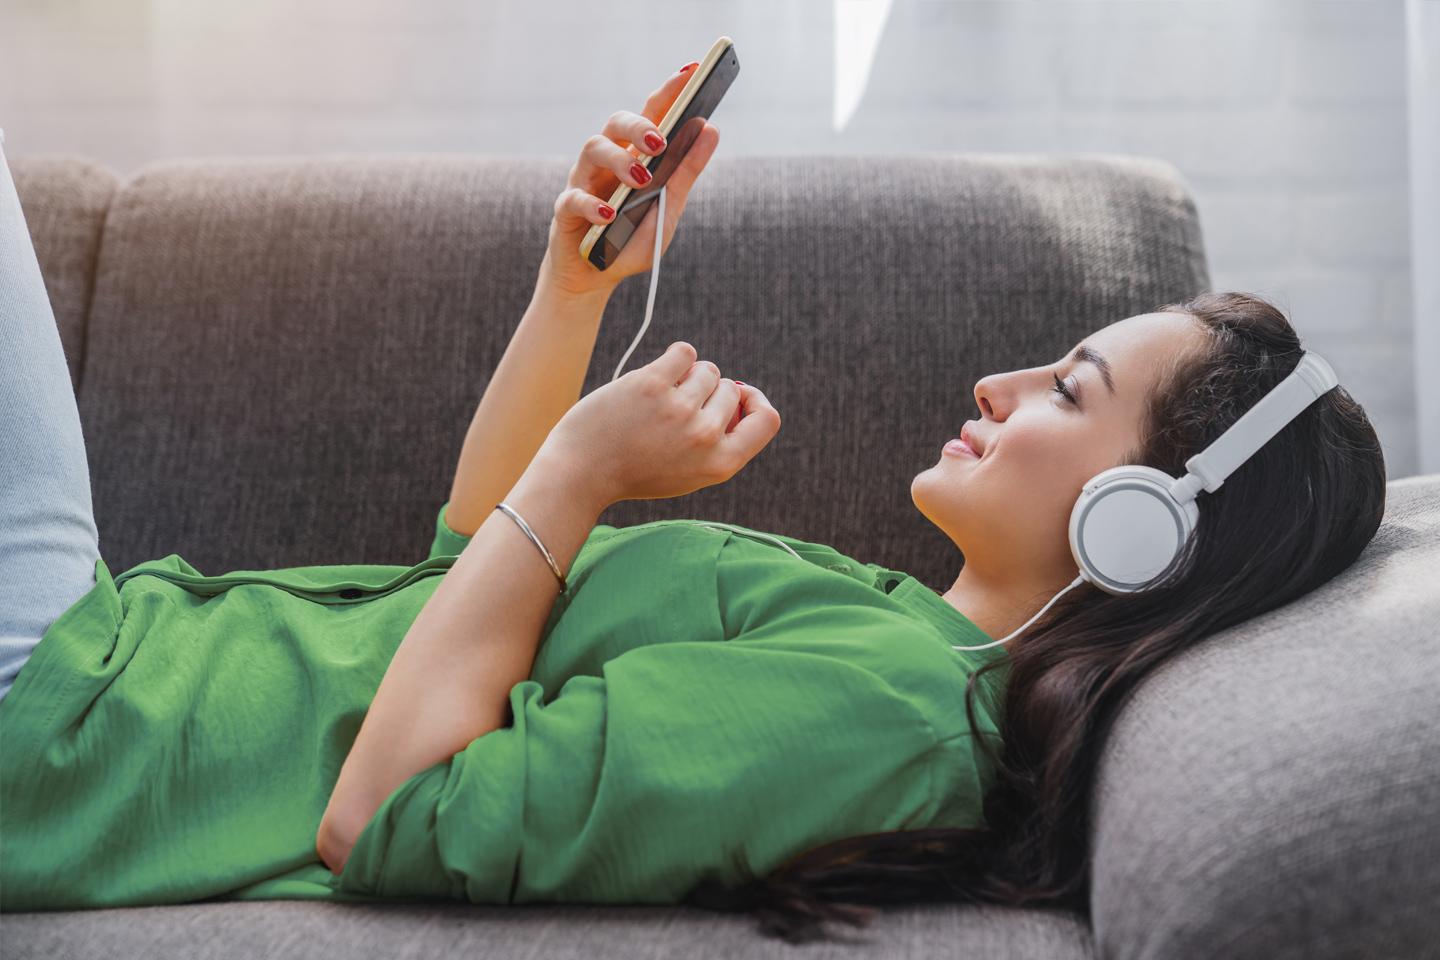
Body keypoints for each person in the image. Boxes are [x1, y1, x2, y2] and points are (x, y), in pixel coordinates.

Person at [0, 63, 1385, 942]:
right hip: (101, 666)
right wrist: (576, 293)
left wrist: (584, 471)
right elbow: (465, 579)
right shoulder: (886, 630)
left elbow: (391, 808)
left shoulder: (893, 714)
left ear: (1137, 531)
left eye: (1069, 391)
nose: (1001, 381)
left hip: (74, 736)